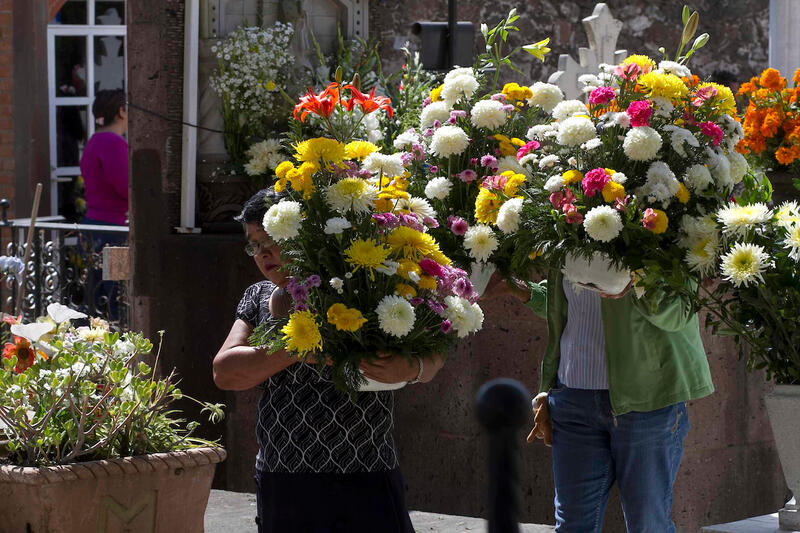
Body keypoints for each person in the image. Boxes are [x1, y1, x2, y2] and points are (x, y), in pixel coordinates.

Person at [213, 188, 445, 533]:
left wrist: (413, 369)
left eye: (271, 239)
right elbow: (225, 372)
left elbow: (433, 355)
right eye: (254, 244)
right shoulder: (258, 297)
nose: (263, 253)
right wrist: (297, 343)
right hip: (286, 471)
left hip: (367, 467)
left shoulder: (359, 283)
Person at [483, 269, 713, 532]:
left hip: (647, 403)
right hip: (573, 398)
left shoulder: (663, 231)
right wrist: (520, 288)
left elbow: (678, 313)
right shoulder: (566, 230)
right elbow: (568, 304)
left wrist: (637, 277)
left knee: (648, 525)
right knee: (572, 527)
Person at [80, 89, 129, 228]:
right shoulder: (113, 143)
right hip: (111, 225)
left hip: (93, 222)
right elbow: (127, 187)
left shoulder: (94, 141)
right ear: (121, 112)